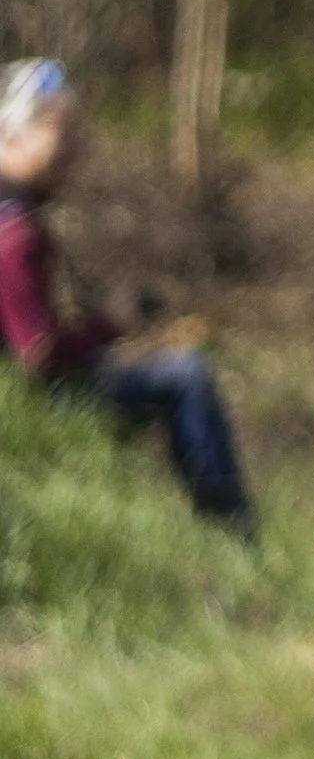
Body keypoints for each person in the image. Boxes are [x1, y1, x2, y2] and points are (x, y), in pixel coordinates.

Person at [0, 60, 255, 531]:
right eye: (63, 134)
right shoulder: (15, 233)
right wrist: (108, 324)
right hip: (31, 401)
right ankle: (232, 535)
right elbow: (39, 354)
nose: (77, 150)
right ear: (13, 135)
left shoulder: (15, 214)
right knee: (186, 374)